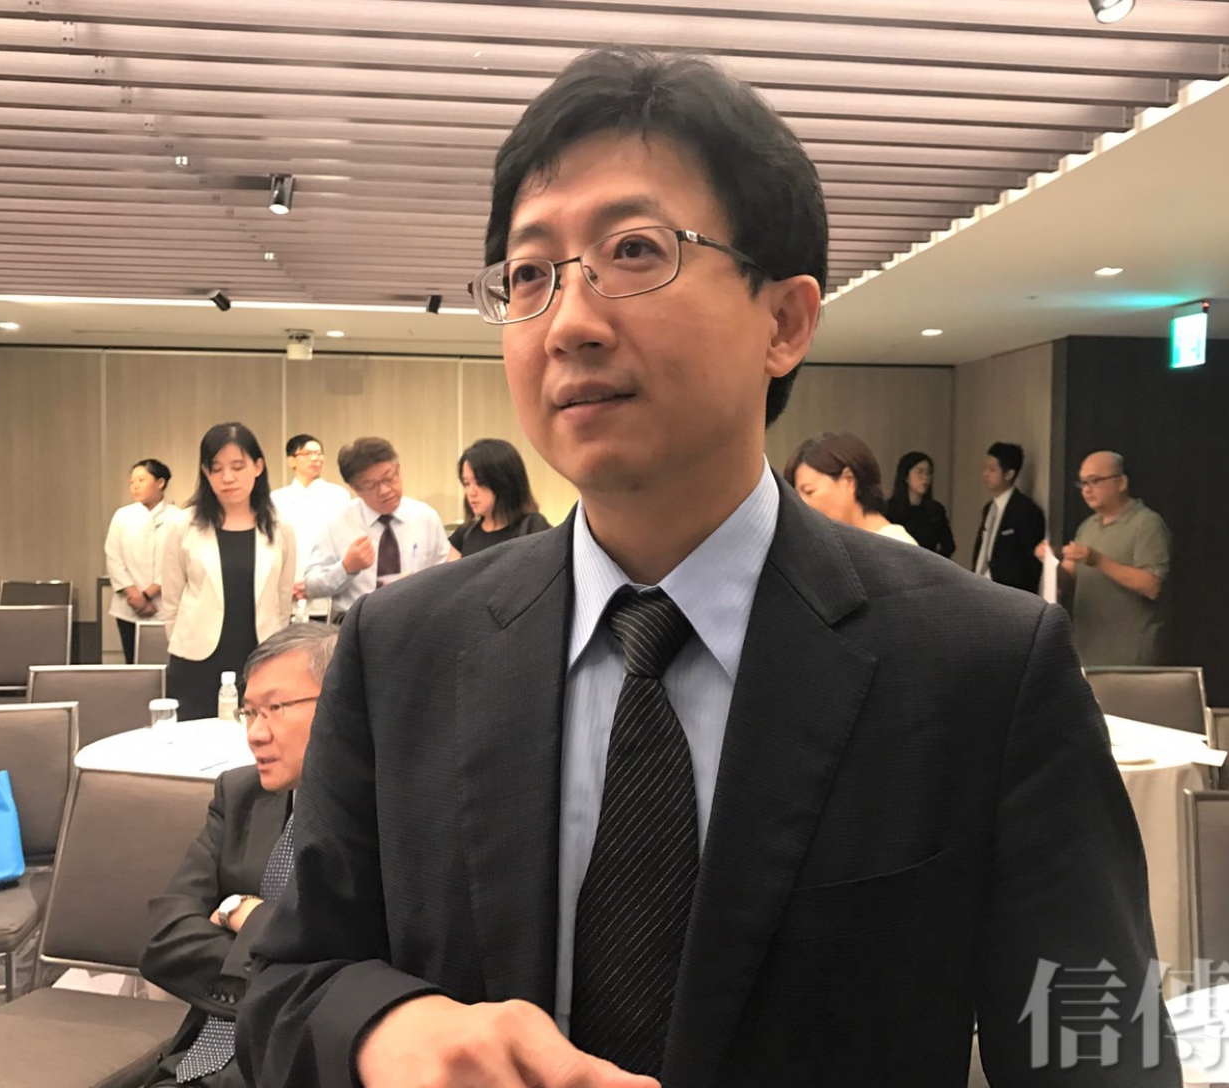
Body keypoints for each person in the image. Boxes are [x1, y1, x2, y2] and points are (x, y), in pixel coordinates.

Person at [240, 48, 1174, 1088]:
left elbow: (1101, 1046)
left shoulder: (983, 666)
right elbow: (287, 980)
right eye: (530, 274)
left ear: (785, 321)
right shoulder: (401, 648)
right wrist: (390, 1029)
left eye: (634, 251)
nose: (569, 322)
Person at [139, 623, 337, 1088]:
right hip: (197, 1057)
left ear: (339, 703)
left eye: (275, 709)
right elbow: (164, 937)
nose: (255, 734)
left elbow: (347, 966)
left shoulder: (379, 817)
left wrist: (246, 917)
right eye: (248, 712)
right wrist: (251, 923)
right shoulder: (240, 794)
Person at [158, 423, 295, 722]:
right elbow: (172, 600)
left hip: (260, 659)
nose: (227, 477)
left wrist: (276, 650)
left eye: (237, 466)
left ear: (258, 467)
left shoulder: (279, 527)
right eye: (216, 468)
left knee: (258, 737)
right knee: (193, 739)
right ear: (205, 473)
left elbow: (283, 600)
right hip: (196, 660)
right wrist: (185, 640)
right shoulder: (183, 525)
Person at [301, 437, 449, 618]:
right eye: (371, 485)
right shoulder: (336, 523)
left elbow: (446, 575)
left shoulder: (426, 517)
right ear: (354, 488)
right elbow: (311, 585)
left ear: (398, 469)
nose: (385, 490)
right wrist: (346, 568)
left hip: (417, 620)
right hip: (357, 623)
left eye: (389, 478)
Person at [1048, 451, 1171, 667]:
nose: (1087, 489)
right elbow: (1066, 580)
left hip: (1130, 654)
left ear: (1121, 482)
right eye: (1083, 483)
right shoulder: (1088, 526)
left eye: (1094, 481)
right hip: (1087, 650)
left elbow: (1151, 585)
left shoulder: (1146, 523)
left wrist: (1097, 560)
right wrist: (1050, 563)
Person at [270, 435, 351, 621]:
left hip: (326, 588)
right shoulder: (276, 499)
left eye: (319, 453)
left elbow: (343, 543)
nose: (315, 458)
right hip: (287, 588)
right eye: (307, 454)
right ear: (291, 461)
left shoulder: (338, 496)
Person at [105, 458, 179, 663]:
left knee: (168, 664)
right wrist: (135, 595)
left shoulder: (178, 518)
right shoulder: (122, 516)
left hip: (164, 605)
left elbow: (177, 563)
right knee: (133, 663)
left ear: (160, 482)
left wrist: (148, 594)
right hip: (128, 606)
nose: (135, 486)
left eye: (141, 480)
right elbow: (113, 558)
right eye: (132, 481)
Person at [784, 431, 916, 544]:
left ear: (849, 479)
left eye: (809, 491)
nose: (801, 504)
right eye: (797, 496)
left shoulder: (896, 548)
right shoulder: (831, 545)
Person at [447, 438, 552, 559]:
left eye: (479, 483)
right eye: (466, 484)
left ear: (503, 481)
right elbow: (450, 569)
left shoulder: (533, 527)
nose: (471, 492)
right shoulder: (465, 533)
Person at [973, 442, 1047, 594]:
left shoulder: (1026, 510)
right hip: (981, 586)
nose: (985, 474)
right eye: (985, 468)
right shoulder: (989, 508)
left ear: (1009, 474)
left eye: (992, 469)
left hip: (1008, 592)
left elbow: (1031, 564)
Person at [886, 450, 956, 558]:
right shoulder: (889, 509)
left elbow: (949, 546)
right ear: (906, 476)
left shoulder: (935, 511)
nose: (925, 477)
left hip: (927, 566)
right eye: (920, 472)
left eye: (929, 473)